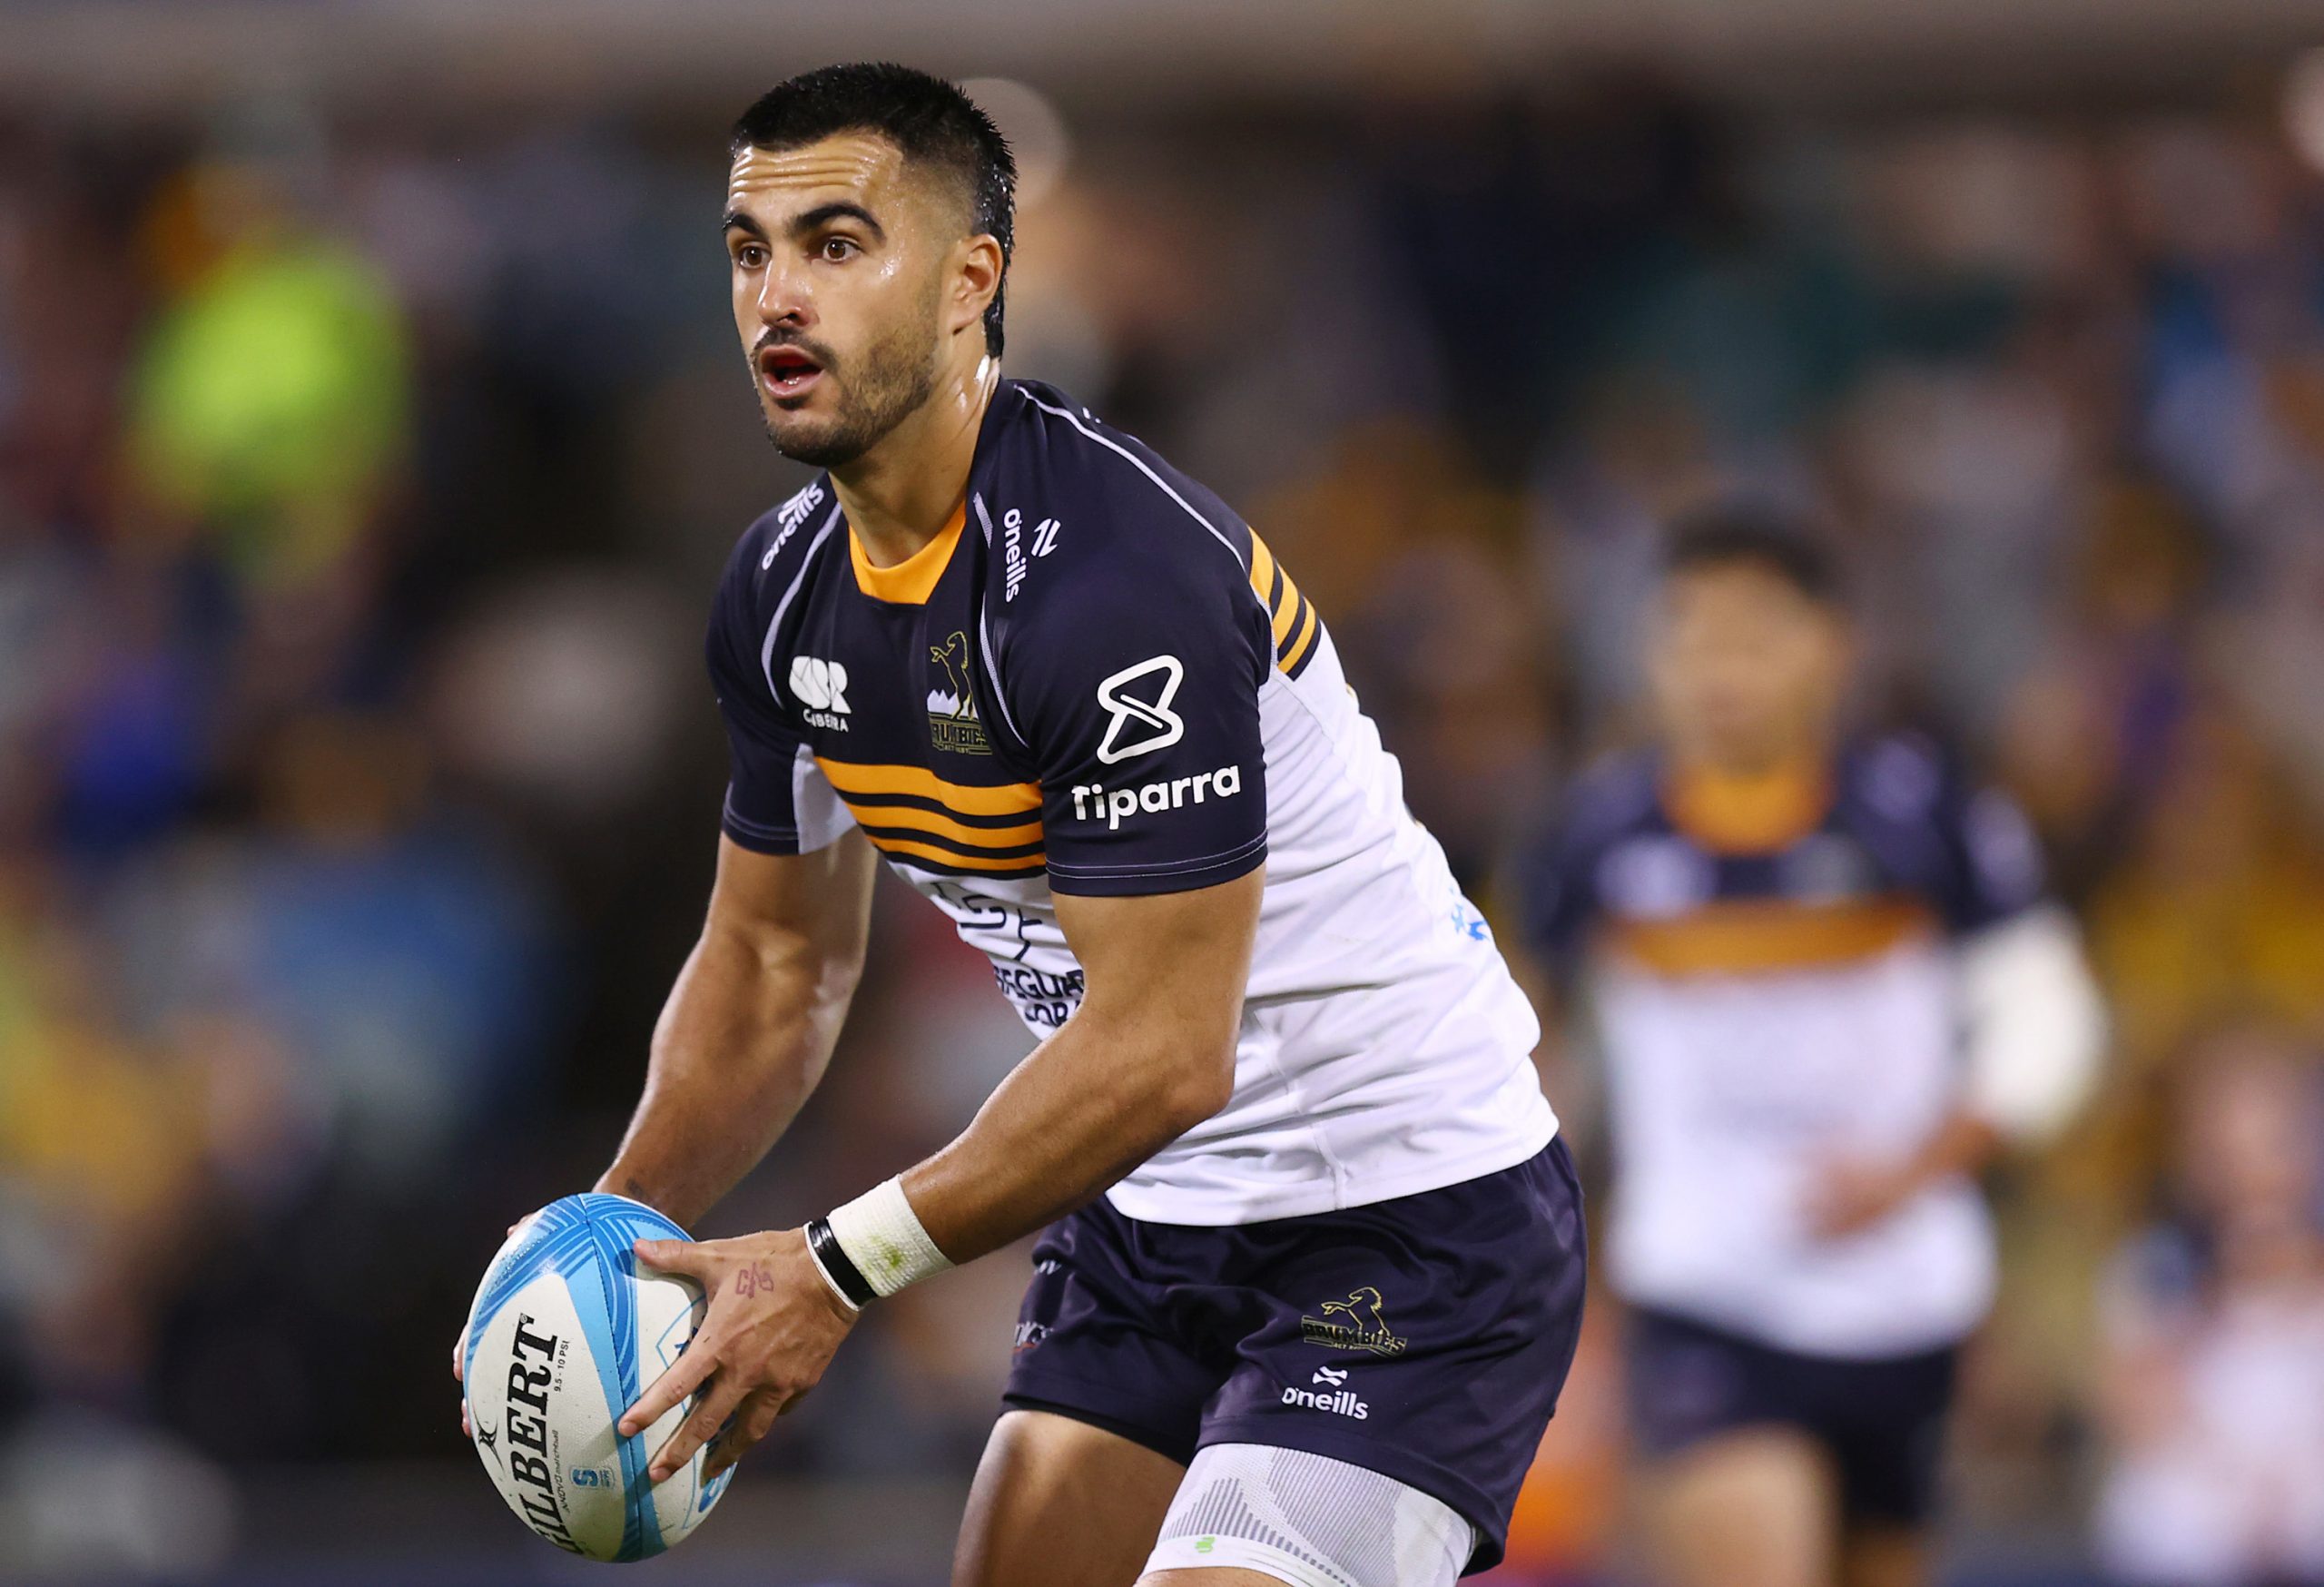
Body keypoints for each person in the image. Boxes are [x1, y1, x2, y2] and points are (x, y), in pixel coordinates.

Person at [458, 63, 1584, 1587]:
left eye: (838, 243)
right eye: (750, 250)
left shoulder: (1112, 585)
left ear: (970, 279)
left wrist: (833, 1266)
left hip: (1400, 1212)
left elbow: (1165, 1047)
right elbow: (778, 965)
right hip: (1143, 1215)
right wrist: (606, 1238)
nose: (779, 296)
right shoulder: (784, 587)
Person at [1521, 510, 2105, 1587]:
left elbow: (2049, 1022)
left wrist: (1915, 1170)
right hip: (1703, 1284)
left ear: (1832, 644)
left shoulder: (1925, 814)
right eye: (1689, 635)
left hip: (1902, 1296)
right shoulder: (1597, 831)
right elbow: (1520, 1038)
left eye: (1752, 634)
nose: (1717, 669)